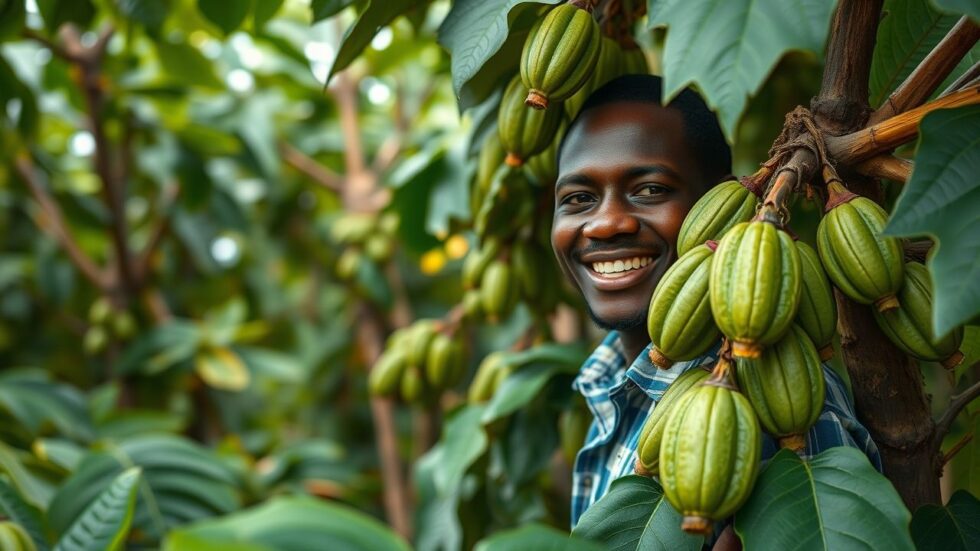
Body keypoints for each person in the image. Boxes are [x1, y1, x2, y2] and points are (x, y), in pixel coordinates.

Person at [551, 74, 880, 543]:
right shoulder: (607, 383)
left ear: (721, 210)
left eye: (649, 190)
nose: (605, 224)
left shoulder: (786, 412)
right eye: (578, 199)